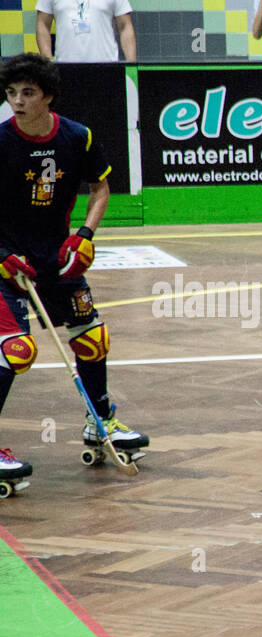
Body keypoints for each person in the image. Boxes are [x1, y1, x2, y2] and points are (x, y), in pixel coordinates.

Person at [0, 54, 148, 490]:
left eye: (27, 93)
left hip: (55, 262)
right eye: (11, 94)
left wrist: (84, 235)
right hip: (6, 264)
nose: (17, 102)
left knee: (93, 337)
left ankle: (100, 422)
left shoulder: (77, 137)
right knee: (17, 352)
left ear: (47, 96)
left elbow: (100, 187)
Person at [35, 0, 136, 63]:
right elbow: (42, 24)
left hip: (107, 67)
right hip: (65, 68)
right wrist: (47, 63)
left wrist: (131, 64)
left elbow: (125, 26)